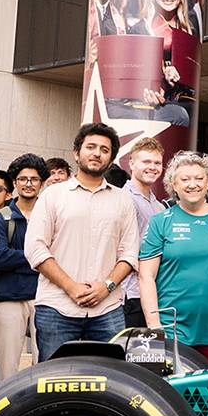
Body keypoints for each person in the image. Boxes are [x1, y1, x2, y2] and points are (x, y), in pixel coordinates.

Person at [24, 123, 140, 361]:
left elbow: (129, 253)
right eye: (91, 147)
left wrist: (106, 287)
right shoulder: (52, 196)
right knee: (53, 381)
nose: (97, 153)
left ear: (111, 159)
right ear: (77, 153)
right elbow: (35, 248)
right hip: (57, 306)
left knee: (110, 380)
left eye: (104, 150)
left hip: (107, 308)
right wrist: (71, 287)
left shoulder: (123, 201)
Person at [137, 152, 208, 363]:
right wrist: (154, 324)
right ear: (173, 185)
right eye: (184, 179)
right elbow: (146, 277)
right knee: (173, 390)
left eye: (199, 178)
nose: (192, 184)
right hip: (171, 324)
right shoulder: (160, 221)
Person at [0, 155, 45, 375]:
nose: (28, 183)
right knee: (7, 371)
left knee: (44, 369)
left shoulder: (49, 214)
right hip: (8, 298)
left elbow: (59, 255)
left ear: (42, 183)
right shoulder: (1, 217)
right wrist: (38, 257)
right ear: (15, 182)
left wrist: (18, 257)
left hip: (44, 298)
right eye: (23, 179)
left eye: (34, 179)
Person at [121, 141, 167, 329]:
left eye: (157, 163)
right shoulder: (122, 198)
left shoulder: (159, 206)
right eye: (146, 161)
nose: (152, 167)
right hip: (128, 294)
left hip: (154, 294)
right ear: (131, 163)